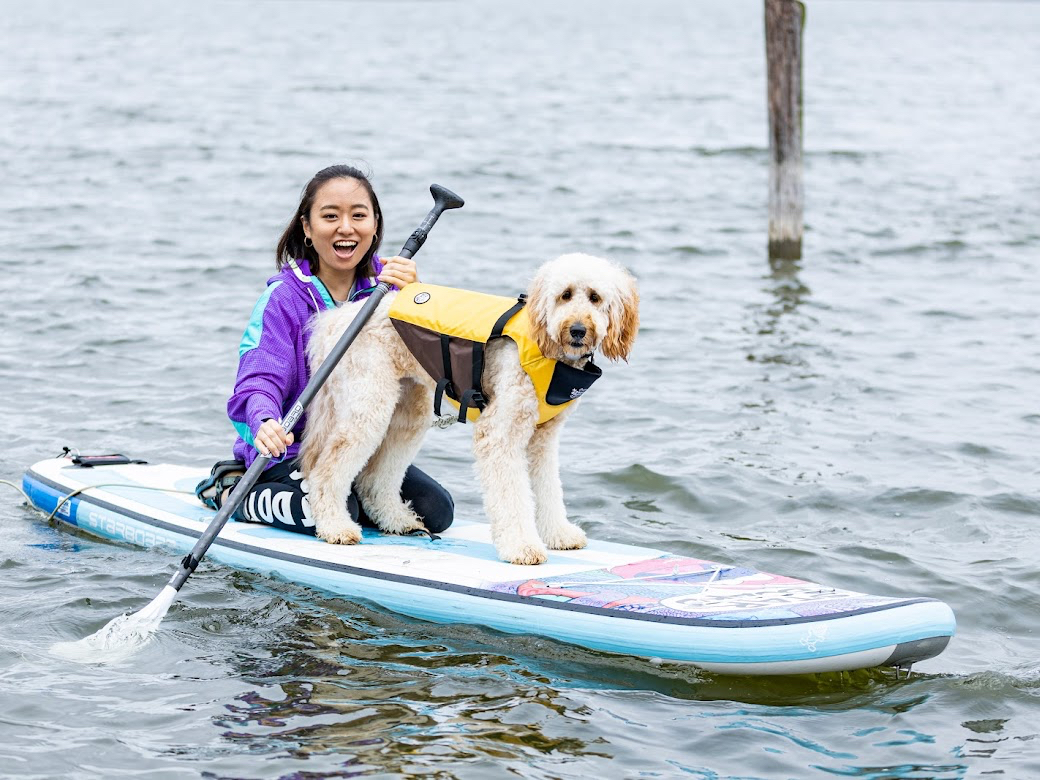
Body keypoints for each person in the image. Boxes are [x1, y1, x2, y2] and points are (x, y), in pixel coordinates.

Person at [196, 165, 453, 537]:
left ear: (375, 226)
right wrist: (264, 422)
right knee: (327, 508)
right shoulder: (282, 298)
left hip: (356, 446)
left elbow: (428, 369)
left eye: (359, 216)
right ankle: (231, 488)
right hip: (289, 449)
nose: (345, 228)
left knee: (436, 511)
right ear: (307, 227)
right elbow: (256, 381)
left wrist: (418, 301)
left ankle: (358, 496)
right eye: (330, 216)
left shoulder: (392, 291)